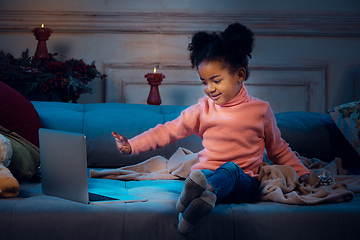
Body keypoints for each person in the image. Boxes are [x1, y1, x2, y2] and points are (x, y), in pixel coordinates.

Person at [112, 23, 311, 235]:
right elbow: (167, 131)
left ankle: (197, 197)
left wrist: (303, 174)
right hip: (207, 176)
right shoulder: (202, 110)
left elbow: (278, 149)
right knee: (200, 174)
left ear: (240, 75)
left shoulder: (260, 110)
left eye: (216, 80)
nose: (210, 89)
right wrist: (132, 145)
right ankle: (194, 207)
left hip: (244, 182)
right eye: (204, 82)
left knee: (230, 169)